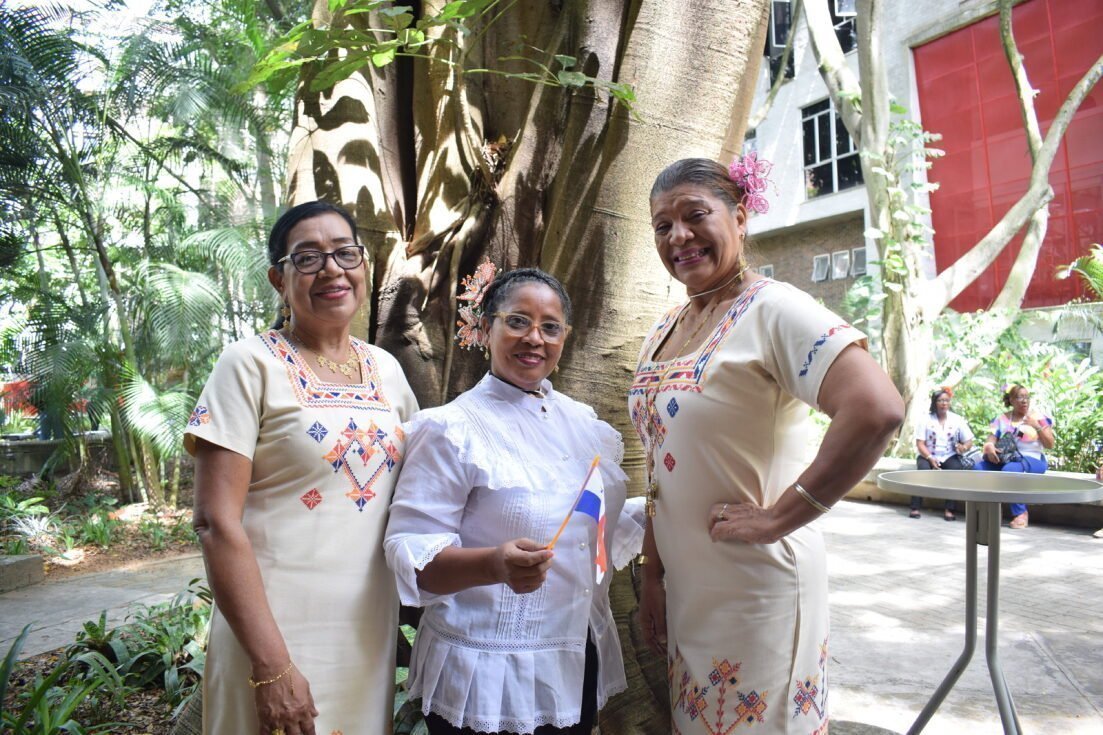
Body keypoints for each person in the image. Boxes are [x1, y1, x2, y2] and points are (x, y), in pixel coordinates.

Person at [632, 157, 903, 734]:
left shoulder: (775, 310)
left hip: (759, 593)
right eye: (662, 225)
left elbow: (876, 409)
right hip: (689, 593)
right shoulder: (664, 331)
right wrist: (652, 573)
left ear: (741, 217)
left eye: (695, 215)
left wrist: (781, 516)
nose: (678, 236)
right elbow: (659, 463)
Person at [185, 201, 418, 734]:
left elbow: (428, 491)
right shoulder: (248, 365)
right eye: (308, 258)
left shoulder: (386, 371)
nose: (331, 269)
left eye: (344, 253)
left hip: (364, 634)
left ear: (364, 266)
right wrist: (271, 667)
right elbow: (214, 522)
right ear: (278, 279)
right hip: (271, 637)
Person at [384, 266, 644, 735]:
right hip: (487, 676)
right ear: (486, 328)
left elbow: (586, 522)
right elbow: (410, 552)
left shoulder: (584, 425)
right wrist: (493, 565)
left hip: (573, 662)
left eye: (550, 326)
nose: (534, 338)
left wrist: (667, 510)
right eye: (518, 321)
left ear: (565, 338)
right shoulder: (451, 429)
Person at [973, 383, 1055, 529]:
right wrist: (990, 446)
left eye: (1026, 397)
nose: (1024, 401)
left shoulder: (1037, 417)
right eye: (1019, 397)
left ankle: (1021, 513)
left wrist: (1036, 425)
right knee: (978, 469)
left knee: (1009, 471)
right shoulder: (1002, 419)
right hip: (1007, 458)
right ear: (1011, 400)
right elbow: (991, 439)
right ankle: (989, 510)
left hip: (1033, 459)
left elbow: (1050, 444)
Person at [910, 387, 974, 520]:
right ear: (935, 403)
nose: (944, 403)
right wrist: (930, 458)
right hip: (927, 455)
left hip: (948, 455)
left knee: (955, 471)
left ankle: (949, 510)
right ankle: (915, 507)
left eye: (946, 400)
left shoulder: (957, 420)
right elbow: (920, 443)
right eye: (940, 400)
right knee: (922, 472)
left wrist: (963, 447)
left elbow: (969, 441)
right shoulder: (925, 420)